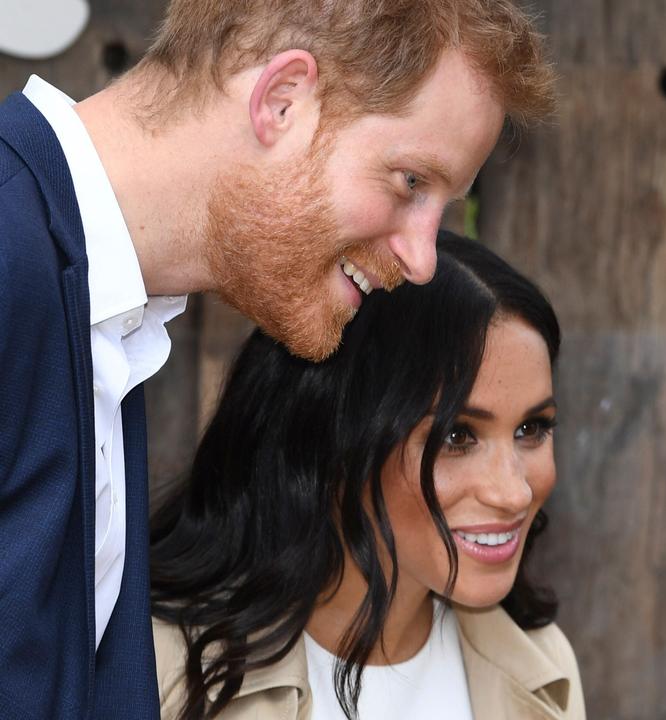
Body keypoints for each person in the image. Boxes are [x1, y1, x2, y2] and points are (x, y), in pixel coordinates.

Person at [0, 2, 555, 717]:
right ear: (283, 101)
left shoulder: (100, 315)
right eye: (410, 182)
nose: (422, 260)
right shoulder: (15, 258)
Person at [148, 232, 584, 720]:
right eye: (456, 437)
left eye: (532, 428)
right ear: (335, 437)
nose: (514, 491)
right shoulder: (160, 666)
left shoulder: (543, 666)